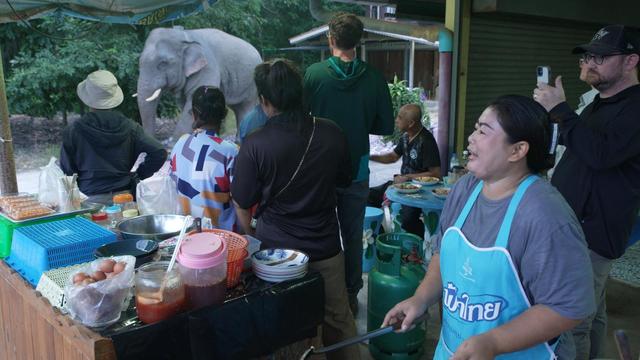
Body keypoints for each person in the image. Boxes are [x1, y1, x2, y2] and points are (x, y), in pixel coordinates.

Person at [382, 95, 595, 359]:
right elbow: (442, 254)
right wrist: (421, 298)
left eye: (483, 131)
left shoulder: (546, 216)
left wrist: (493, 342)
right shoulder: (464, 189)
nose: (471, 138)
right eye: (475, 128)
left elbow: (567, 308)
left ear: (517, 150)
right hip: (452, 350)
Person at [231, 59, 358, 360]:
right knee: (338, 319)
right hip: (326, 247)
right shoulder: (332, 133)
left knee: (289, 326)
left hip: (278, 257)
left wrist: (251, 231)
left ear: (263, 101)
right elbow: (344, 180)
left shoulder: (255, 144)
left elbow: (241, 201)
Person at [534, 24, 640, 359]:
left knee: (570, 322)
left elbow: (601, 154)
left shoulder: (636, 108)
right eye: (588, 56)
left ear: (630, 61)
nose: (589, 63)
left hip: (593, 233)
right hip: (575, 228)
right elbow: (578, 144)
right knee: (591, 314)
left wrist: (562, 111)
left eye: (602, 56)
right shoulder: (598, 103)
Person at [304, 12, 394, 313]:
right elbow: (384, 125)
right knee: (353, 234)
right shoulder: (374, 78)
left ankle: (321, 294)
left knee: (320, 229)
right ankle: (351, 294)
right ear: (360, 41)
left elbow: (300, 121)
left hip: (320, 170)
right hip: (356, 169)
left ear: (331, 39)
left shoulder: (314, 75)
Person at [60, 70, 166, 205]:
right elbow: (159, 152)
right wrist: (139, 174)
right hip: (125, 199)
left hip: (89, 200)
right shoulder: (131, 127)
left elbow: (68, 171)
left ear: (88, 99)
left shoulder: (74, 130)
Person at [169, 86, 238, 230]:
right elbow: (240, 200)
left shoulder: (180, 144)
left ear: (193, 114)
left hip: (188, 235)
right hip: (223, 240)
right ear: (224, 114)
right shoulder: (230, 151)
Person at [370, 104, 441, 237]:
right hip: (402, 185)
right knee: (367, 197)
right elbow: (392, 157)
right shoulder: (405, 137)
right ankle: (382, 235)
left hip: (419, 190)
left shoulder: (427, 141)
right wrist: (369, 157)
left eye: (400, 117)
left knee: (408, 221)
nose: (396, 120)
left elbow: (436, 173)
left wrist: (408, 177)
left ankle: (419, 246)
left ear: (411, 123)